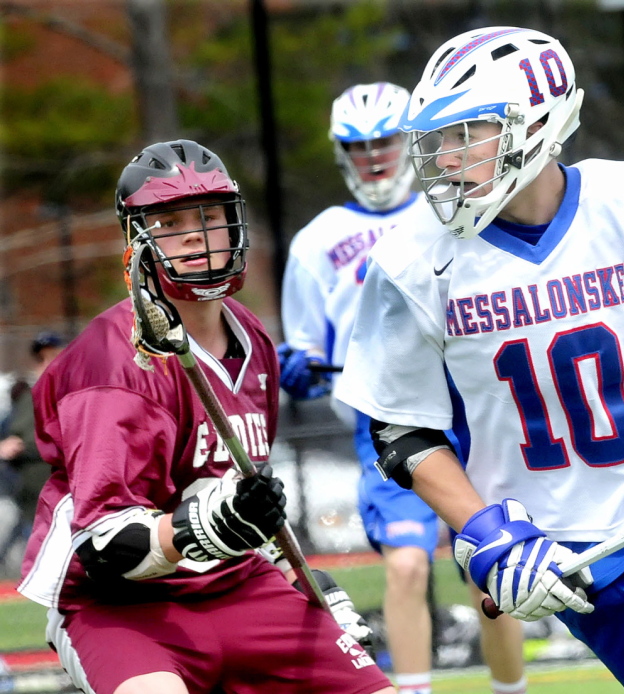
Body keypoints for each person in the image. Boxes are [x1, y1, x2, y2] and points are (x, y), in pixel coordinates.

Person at [336, 26, 624, 694]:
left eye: (466, 133)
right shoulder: (412, 258)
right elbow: (401, 432)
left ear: (538, 123)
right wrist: (485, 533)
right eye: (438, 138)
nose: (444, 157)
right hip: (559, 543)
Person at [17, 139, 393, 694]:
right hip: (123, 608)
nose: (194, 234)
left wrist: (302, 578)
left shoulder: (253, 339)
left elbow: (243, 502)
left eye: (209, 217)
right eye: (169, 221)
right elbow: (102, 550)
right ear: (138, 241)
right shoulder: (108, 363)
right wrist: (197, 531)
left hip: (239, 586)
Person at [279, 83, 527, 694]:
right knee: (409, 565)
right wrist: (301, 363)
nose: (373, 156)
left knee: (492, 571)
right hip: (384, 416)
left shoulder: (454, 208)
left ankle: (511, 689)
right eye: (358, 146)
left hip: (471, 409)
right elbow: (304, 342)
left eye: (385, 141)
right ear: (342, 153)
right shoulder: (316, 239)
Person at [0, 332, 65, 567]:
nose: (48, 364)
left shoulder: (74, 394)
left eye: (55, 356)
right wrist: (9, 445)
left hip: (62, 488)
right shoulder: (29, 396)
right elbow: (13, 434)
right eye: (42, 359)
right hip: (30, 488)